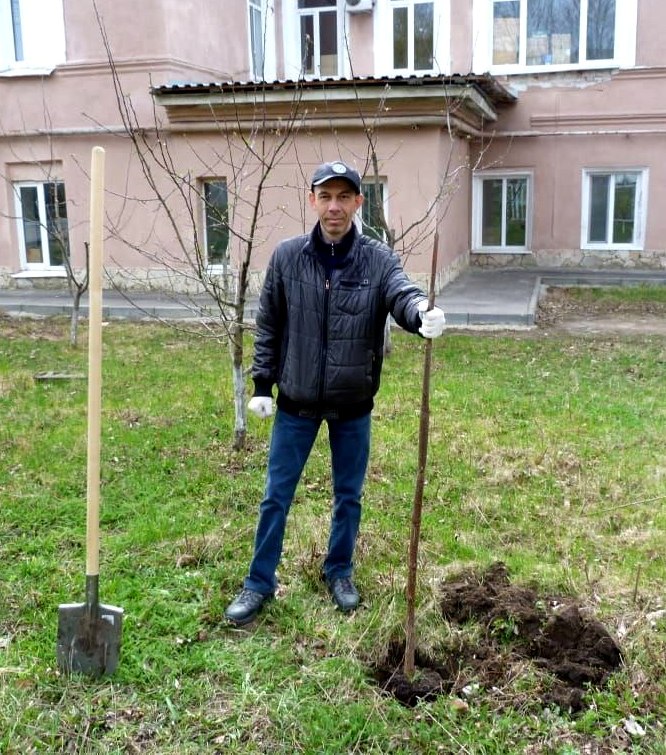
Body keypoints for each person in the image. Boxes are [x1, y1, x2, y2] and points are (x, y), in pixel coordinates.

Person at [224, 160, 446, 626]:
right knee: (275, 496)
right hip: (296, 403)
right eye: (325, 197)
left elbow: (399, 294)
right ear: (312, 201)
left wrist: (420, 313)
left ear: (358, 203)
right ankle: (258, 582)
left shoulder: (376, 258)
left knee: (349, 495)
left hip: (352, 404)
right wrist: (263, 383)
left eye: (344, 197)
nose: (334, 207)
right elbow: (269, 323)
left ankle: (339, 570)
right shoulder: (287, 258)